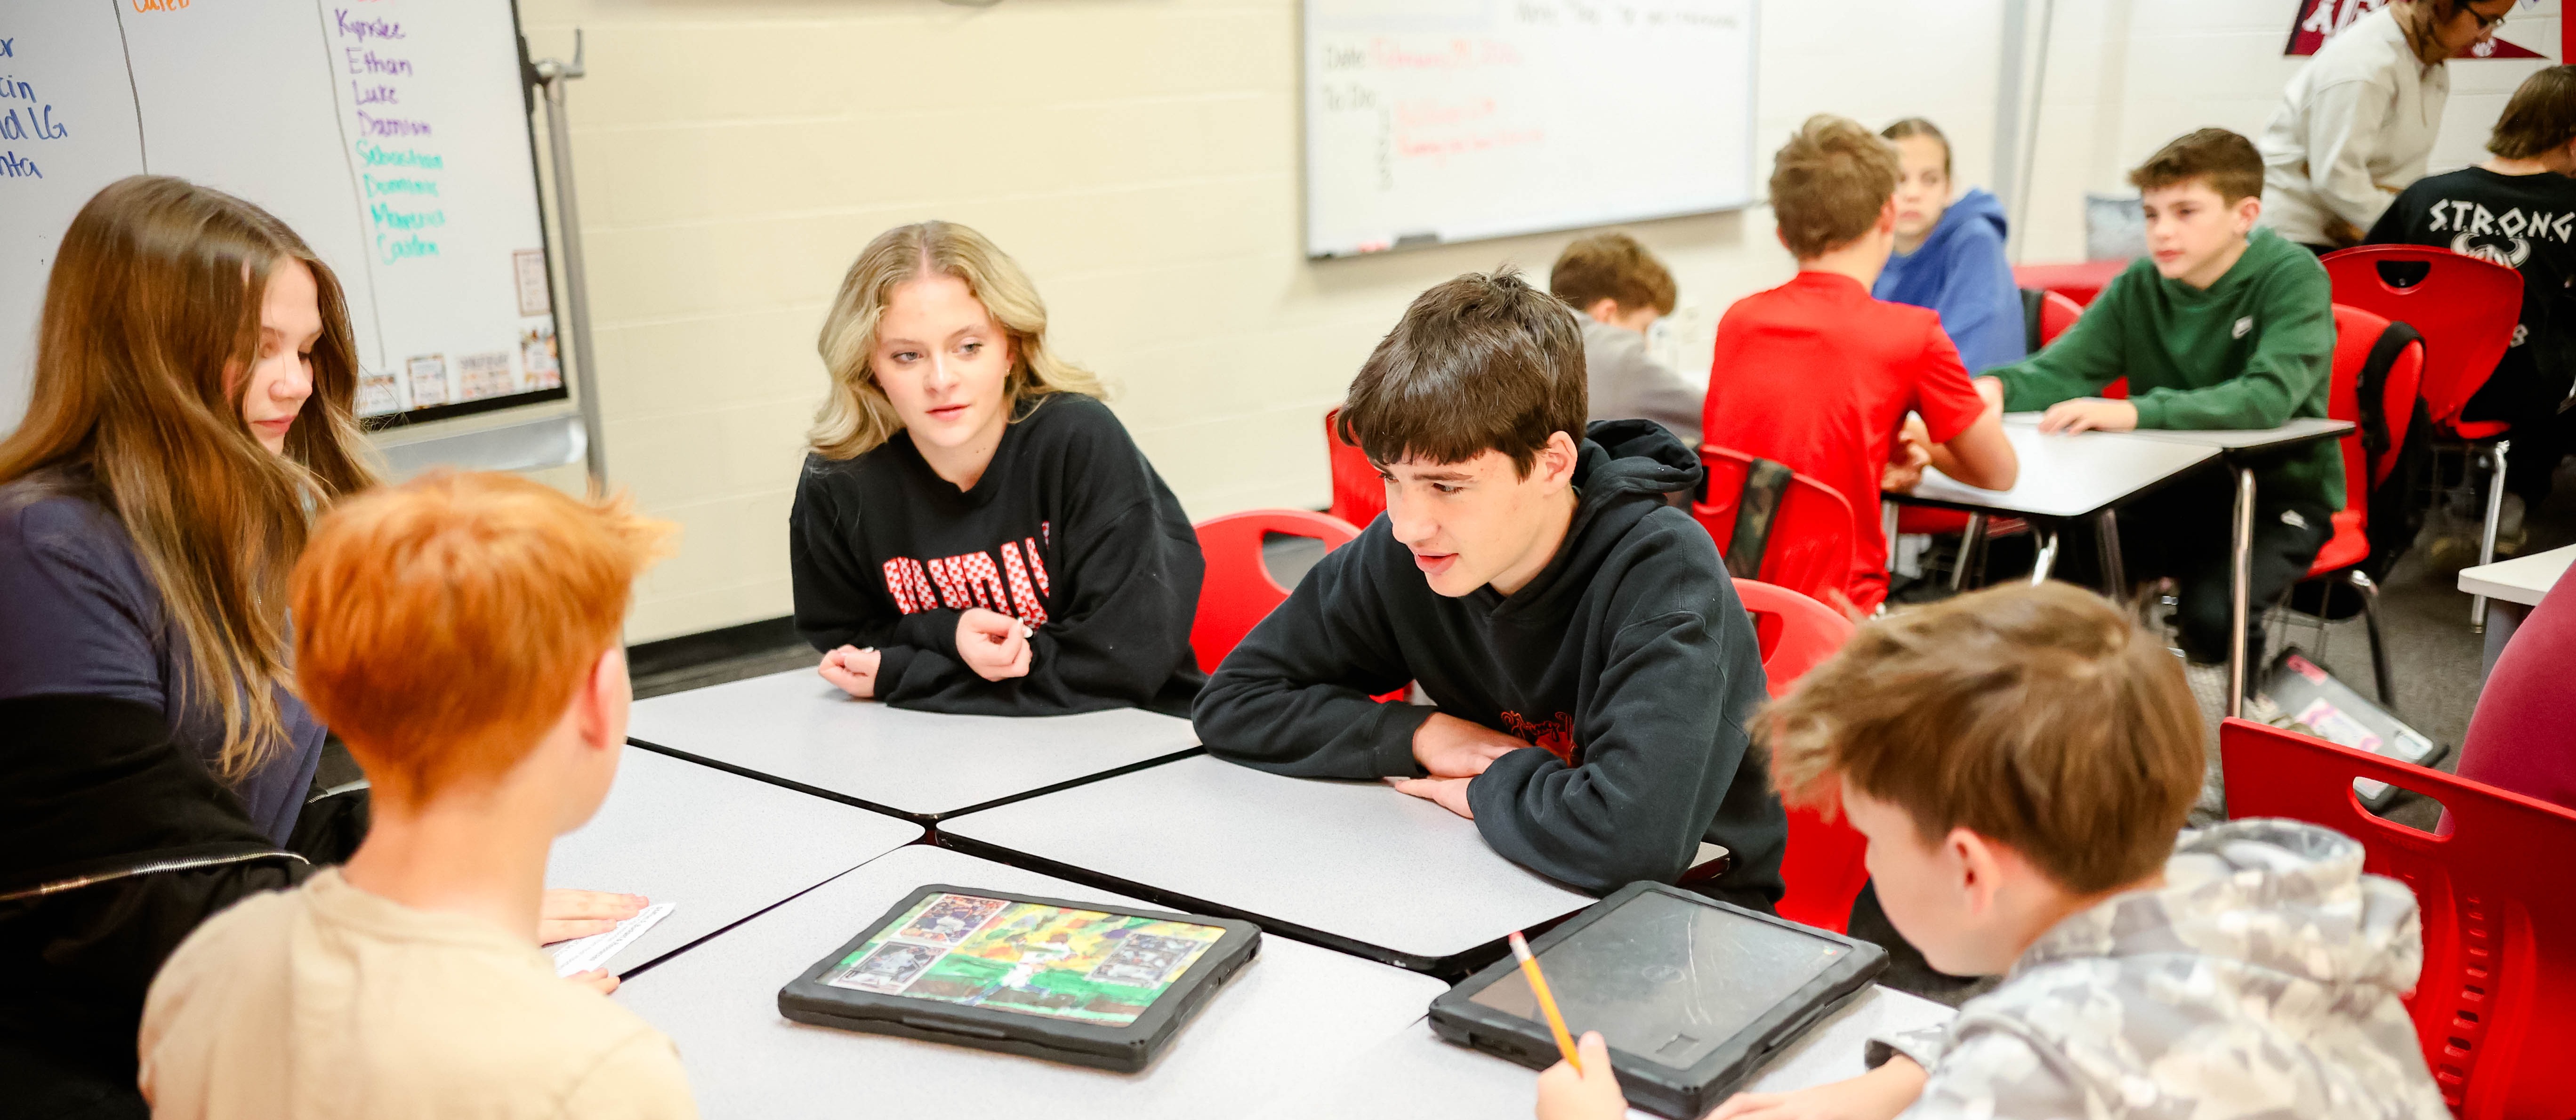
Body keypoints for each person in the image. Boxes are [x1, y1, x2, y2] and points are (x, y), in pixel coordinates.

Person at [0, 177, 638, 1116]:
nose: (297, 381)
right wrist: (438, 991)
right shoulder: (42, 548)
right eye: (258, 350)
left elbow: (283, 812)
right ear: (145, 349)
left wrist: (457, 904)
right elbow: (136, 892)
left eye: (303, 349)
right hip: (101, 1056)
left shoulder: (265, 521)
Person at [1538, 582, 2450, 1120]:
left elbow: (2051, 1047)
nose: (1868, 864)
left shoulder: (2027, 1070)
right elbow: (2100, 1006)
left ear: (1971, 868)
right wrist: (1902, 1078)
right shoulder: (2242, 886)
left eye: (1873, 838)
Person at [1194, 269, 1787, 908]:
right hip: (1496, 883)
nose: (1409, 521)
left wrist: (1488, 782)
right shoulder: (1410, 550)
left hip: (1691, 918)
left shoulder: (1663, 573)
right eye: (1393, 478)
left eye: (1447, 485)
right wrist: (1425, 735)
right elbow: (1234, 701)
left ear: (1552, 464)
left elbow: (1628, 841)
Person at [139, 472, 692, 1119]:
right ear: (595, 704)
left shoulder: (199, 972)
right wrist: (560, 1053)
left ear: (328, 694)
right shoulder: (604, 1075)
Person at [790, 220, 1205, 717]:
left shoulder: (1078, 440)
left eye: (968, 347)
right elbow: (847, 642)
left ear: (1011, 348)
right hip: (942, 750)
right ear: (870, 367)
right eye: (907, 356)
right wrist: (948, 633)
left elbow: (1118, 666)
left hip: (1128, 737)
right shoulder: (840, 476)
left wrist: (910, 673)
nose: (941, 381)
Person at [1978, 129, 2338, 677]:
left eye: (2185, 212)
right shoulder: (2141, 283)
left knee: (2214, 620)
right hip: (2165, 490)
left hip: (2272, 499)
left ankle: (2238, 725)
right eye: (2151, 215)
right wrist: (1992, 389)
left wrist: (2136, 412)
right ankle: (2085, 727)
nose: (2163, 231)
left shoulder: (2292, 276)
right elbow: (2061, 371)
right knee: (2037, 576)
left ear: (2245, 215)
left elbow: (2265, 399)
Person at [1703, 114, 2019, 614]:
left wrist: (1879, 446)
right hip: (1839, 619)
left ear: (1783, 234)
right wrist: (1918, 442)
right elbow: (2000, 472)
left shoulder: (1738, 321)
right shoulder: (1912, 336)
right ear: (1888, 215)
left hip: (1728, 605)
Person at [2368, 64, 2576, 534]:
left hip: (2415, 385)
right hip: (2514, 392)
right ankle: (2514, 496)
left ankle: (2437, 501)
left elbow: (2368, 285)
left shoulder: (2425, 195)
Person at [2260, 0, 2515, 253]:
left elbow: (2401, 173)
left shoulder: (2429, 62)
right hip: (2297, 240)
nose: (2485, 38)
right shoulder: (2364, 64)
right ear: (2444, 5)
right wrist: (2412, 227)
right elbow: (2336, 178)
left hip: (2354, 231)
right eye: (2485, 21)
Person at [1873, 118, 2027, 373]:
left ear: (1948, 189)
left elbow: (1971, 361)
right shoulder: (1869, 245)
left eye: (1930, 180)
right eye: (1899, 179)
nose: (1913, 193)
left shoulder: (1976, 242)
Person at [1548, 232, 1704, 448]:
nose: (1647, 344)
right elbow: (1715, 415)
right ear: (1607, 314)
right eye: (1645, 328)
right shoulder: (1619, 358)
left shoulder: (1533, 336)